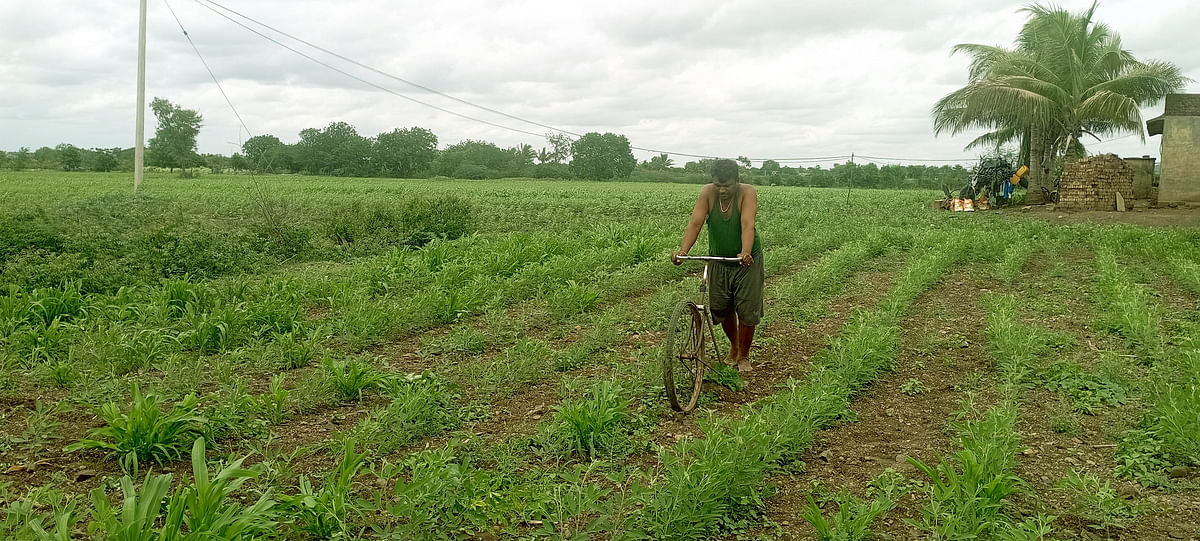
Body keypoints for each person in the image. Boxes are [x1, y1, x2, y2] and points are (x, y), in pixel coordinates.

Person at [672, 158, 763, 373]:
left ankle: (743, 355)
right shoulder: (707, 193)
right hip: (718, 259)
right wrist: (683, 251)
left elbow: (748, 224)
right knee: (721, 307)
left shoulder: (747, 193)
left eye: (727, 186)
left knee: (747, 309)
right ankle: (734, 346)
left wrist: (746, 252)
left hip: (745, 260)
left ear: (737, 182)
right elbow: (696, 222)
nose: (722, 190)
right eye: (718, 185)